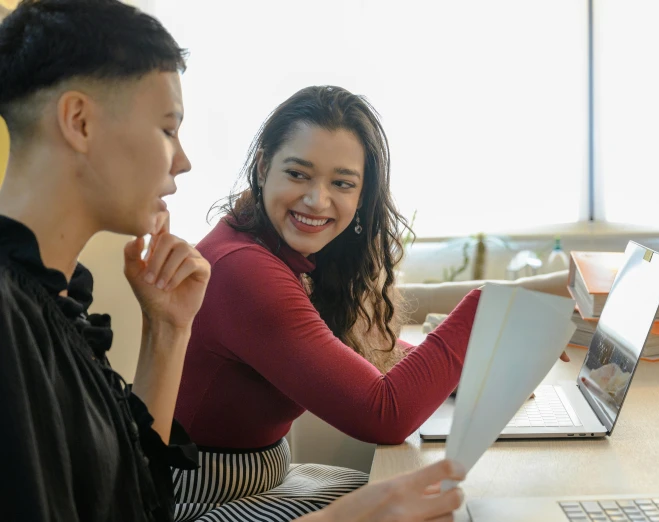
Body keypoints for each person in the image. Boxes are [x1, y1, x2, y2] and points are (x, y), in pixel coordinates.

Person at [0, 2, 467, 521]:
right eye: (167, 129)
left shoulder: (59, 295)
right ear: (79, 122)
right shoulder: (12, 321)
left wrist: (169, 328)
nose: (183, 160)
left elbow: (135, 495)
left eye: (341, 183)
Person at [173, 84, 570, 520]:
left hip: (267, 479)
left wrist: (470, 370)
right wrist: (486, 310)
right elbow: (384, 415)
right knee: (449, 509)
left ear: (361, 196)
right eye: (298, 174)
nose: (317, 200)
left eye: (341, 183)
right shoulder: (244, 269)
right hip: (203, 501)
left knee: (452, 500)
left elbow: (360, 354)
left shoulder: (281, 250)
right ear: (264, 166)